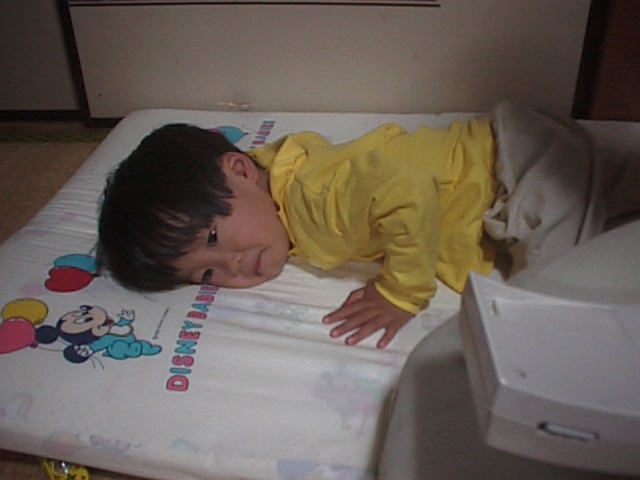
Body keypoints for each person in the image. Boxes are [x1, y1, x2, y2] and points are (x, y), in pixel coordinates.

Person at [98, 102, 602, 349]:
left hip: (513, 166)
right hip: (507, 179)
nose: (232, 265)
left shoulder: (312, 194)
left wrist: (401, 292)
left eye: (212, 238)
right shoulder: (274, 193)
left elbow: (409, 189)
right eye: (207, 274)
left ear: (240, 169)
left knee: (562, 311)